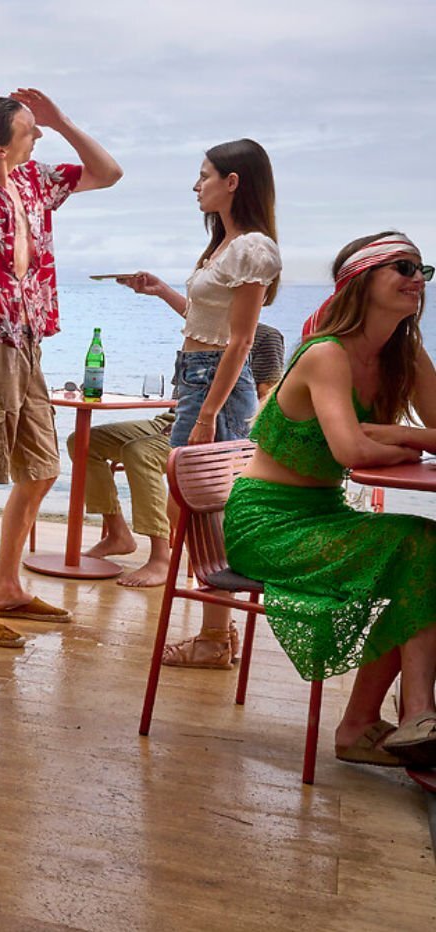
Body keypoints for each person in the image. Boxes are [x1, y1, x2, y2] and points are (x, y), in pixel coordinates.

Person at [0, 76, 122, 648]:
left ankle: (5, 587)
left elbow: (108, 173)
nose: (38, 138)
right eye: (30, 132)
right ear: (0, 148)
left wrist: (59, 120)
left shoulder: (37, 181)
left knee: (41, 468)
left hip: (28, 341)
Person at [225, 232, 436, 768]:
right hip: (267, 523)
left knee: (422, 554)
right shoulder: (327, 354)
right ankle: (408, 717)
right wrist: (394, 436)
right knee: (420, 547)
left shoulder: (404, 355)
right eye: (403, 267)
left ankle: (377, 724)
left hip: (324, 514)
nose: (417, 279)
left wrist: (393, 434)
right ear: (362, 281)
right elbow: (348, 448)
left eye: (422, 271)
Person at [118, 139, 280, 665]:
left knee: (205, 507)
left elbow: (240, 341)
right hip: (197, 375)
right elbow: (208, 324)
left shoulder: (252, 248)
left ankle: (214, 637)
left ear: (233, 182)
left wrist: (209, 413)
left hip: (216, 384)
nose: (197, 184)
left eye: (205, 174)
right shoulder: (224, 246)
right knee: (192, 506)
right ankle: (217, 633)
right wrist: (164, 291)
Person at [66, 323, 284, 588]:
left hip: (207, 428)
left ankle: (160, 557)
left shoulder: (262, 337)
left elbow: (267, 398)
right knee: (84, 441)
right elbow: (181, 395)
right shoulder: (201, 329)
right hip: (170, 417)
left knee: (139, 452)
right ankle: (117, 533)